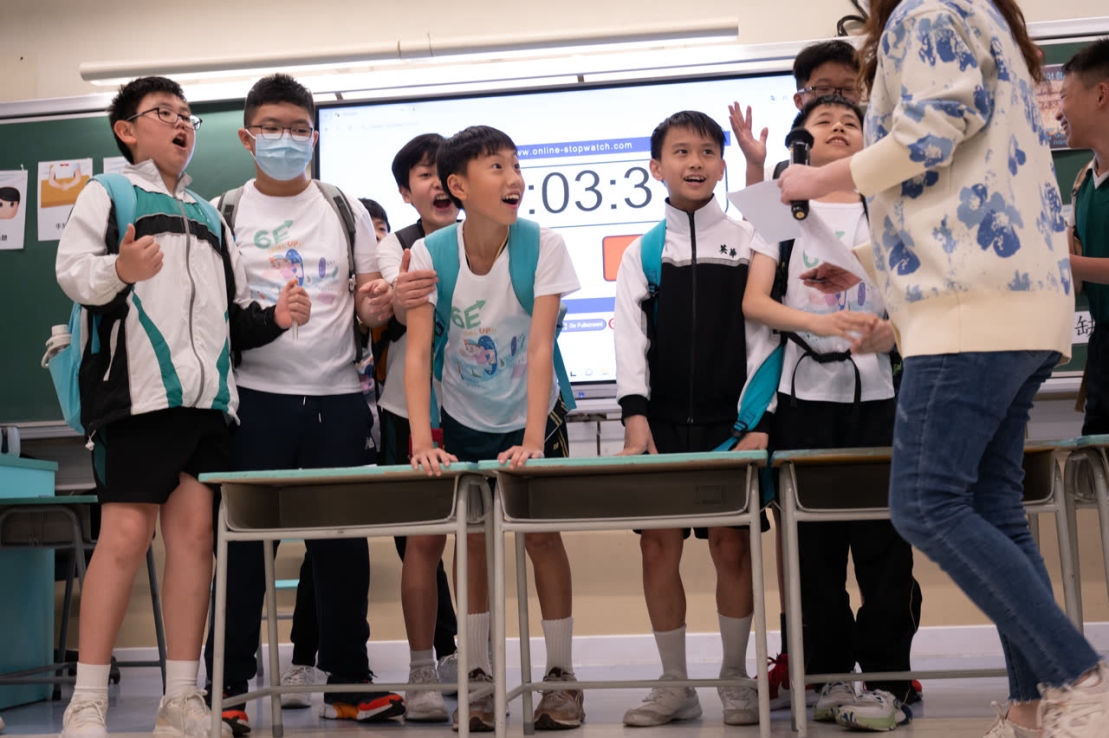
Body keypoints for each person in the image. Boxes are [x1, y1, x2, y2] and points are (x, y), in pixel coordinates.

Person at [783, 2, 1108, 736]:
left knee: (925, 503)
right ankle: (1031, 709)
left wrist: (819, 178)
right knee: (993, 510)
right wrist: (868, 267)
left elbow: (929, 134)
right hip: (1020, 304)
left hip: (968, 309)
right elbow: (970, 184)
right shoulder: (983, 19)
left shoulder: (926, 10)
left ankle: (1078, 676)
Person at [55, 75, 307, 738]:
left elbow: (231, 316)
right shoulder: (107, 193)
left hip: (209, 405)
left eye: (187, 116)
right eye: (163, 113)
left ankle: (182, 699)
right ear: (127, 131)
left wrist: (275, 319)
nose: (180, 124)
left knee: (194, 544)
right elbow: (73, 273)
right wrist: (121, 270)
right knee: (125, 538)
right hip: (136, 399)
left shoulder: (210, 214)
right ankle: (86, 702)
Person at [201, 73, 402, 734]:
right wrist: (273, 318)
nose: (286, 140)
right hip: (254, 401)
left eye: (298, 129)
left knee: (341, 550)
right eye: (272, 128)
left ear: (313, 137)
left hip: (339, 398)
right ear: (247, 137)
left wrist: (377, 304)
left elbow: (368, 299)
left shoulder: (342, 206)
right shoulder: (224, 211)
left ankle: (348, 684)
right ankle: (227, 689)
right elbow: (211, 317)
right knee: (242, 552)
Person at [743, 94, 920, 731]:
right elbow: (754, 301)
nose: (840, 128)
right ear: (803, 143)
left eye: (851, 123)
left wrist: (890, 332)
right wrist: (818, 322)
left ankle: (888, 683)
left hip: (879, 401)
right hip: (803, 401)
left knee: (885, 551)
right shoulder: (781, 206)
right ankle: (828, 678)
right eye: (824, 123)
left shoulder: (891, 204)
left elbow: (918, 300)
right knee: (811, 553)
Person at [403, 125, 584, 732]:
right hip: (462, 414)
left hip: (533, 412)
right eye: (496, 167)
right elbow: (418, 353)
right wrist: (422, 442)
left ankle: (561, 677)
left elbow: (540, 348)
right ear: (457, 186)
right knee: (473, 542)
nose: (514, 180)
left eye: (516, 165)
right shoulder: (431, 254)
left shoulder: (544, 244)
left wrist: (532, 439)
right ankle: (478, 679)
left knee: (542, 539)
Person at [614, 110, 771, 728]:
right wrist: (635, 418)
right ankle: (675, 684)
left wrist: (757, 420)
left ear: (721, 165)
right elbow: (629, 340)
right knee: (659, 548)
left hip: (732, 427)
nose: (696, 162)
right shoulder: (644, 252)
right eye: (681, 152)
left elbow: (765, 335)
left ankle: (735, 677)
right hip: (661, 429)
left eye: (707, 151)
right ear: (657, 168)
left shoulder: (749, 239)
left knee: (732, 547)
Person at [362, 133, 463, 721]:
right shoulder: (391, 247)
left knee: (478, 540)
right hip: (410, 413)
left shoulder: (495, 240)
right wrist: (397, 295)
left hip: (481, 409)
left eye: (445, 173)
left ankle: (468, 659)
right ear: (406, 191)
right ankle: (424, 667)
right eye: (424, 175)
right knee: (421, 541)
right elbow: (394, 307)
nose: (438, 184)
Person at [1058, 39, 1109, 435]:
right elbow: (1077, 281)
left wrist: (1059, 261)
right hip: (1102, 347)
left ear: (1101, 94)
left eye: (1064, 96)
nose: (1059, 111)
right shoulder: (1082, 183)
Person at [730, 39, 862, 188]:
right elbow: (754, 204)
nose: (836, 98)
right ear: (799, 100)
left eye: (848, 89)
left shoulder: (877, 171)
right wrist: (754, 166)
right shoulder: (774, 176)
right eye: (823, 89)